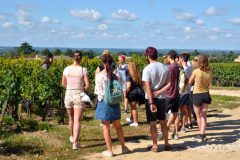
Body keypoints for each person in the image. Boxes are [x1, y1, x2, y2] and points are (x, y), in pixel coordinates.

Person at [94, 54, 130, 157]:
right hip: (115, 102)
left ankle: (110, 150)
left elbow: (98, 91)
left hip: (104, 102)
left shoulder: (100, 75)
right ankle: (123, 147)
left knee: (106, 128)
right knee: (118, 127)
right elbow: (121, 84)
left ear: (102, 63)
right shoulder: (116, 74)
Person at [142, 47, 172, 152]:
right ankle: (167, 143)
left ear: (148, 56)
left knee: (153, 123)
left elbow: (148, 87)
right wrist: (159, 92)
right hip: (163, 98)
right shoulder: (165, 68)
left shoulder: (147, 69)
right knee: (163, 122)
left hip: (151, 99)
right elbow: (169, 84)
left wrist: (151, 102)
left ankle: (155, 145)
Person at [62, 50, 90, 150]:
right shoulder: (83, 69)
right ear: (81, 58)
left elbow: (63, 84)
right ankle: (75, 143)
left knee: (71, 118)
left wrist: (70, 87)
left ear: (73, 58)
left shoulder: (66, 69)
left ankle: (72, 136)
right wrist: (82, 89)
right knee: (77, 119)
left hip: (68, 94)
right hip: (79, 94)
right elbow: (87, 85)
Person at [189, 54, 212, 142]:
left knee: (198, 116)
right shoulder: (209, 71)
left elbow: (190, 81)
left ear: (199, 62)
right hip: (206, 94)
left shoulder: (196, 71)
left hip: (197, 94)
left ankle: (201, 134)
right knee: (204, 116)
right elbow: (209, 82)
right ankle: (202, 134)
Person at [164, 50, 180, 139]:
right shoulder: (178, 66)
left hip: (169, 93)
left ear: (169, 57)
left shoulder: (169, 68)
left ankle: (165, 128)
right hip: (177, 93)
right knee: (175, 112)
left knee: (163, 113)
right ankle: (170, 128)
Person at [125, 61, 145, 127]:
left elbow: (128, 86)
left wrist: (126, 92)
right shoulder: (139, 74)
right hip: (138, 92)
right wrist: (140, 88)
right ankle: (132, 119)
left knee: (133, 108)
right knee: (134, 107)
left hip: (132, 93)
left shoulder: (129, 75)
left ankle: (135, 122)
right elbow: (143, 83)